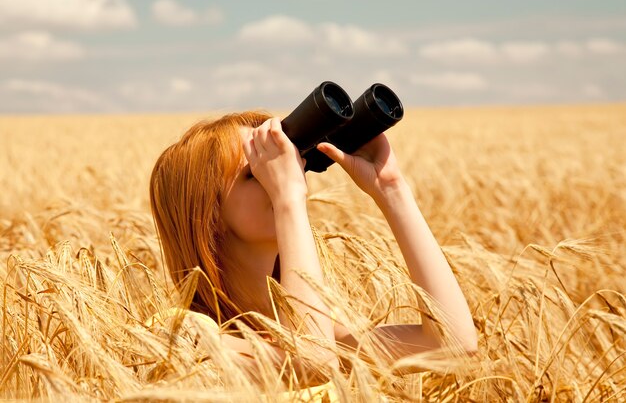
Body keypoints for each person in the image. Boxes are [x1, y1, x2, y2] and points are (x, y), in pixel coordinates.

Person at [149, 110, 478, 387]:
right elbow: (313, 362)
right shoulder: (179, 334)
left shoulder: (314, 326)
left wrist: (391, 189)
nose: (285, 177)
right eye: (255, 173)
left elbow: (452, 345)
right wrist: (288, 200)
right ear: (209, 213)